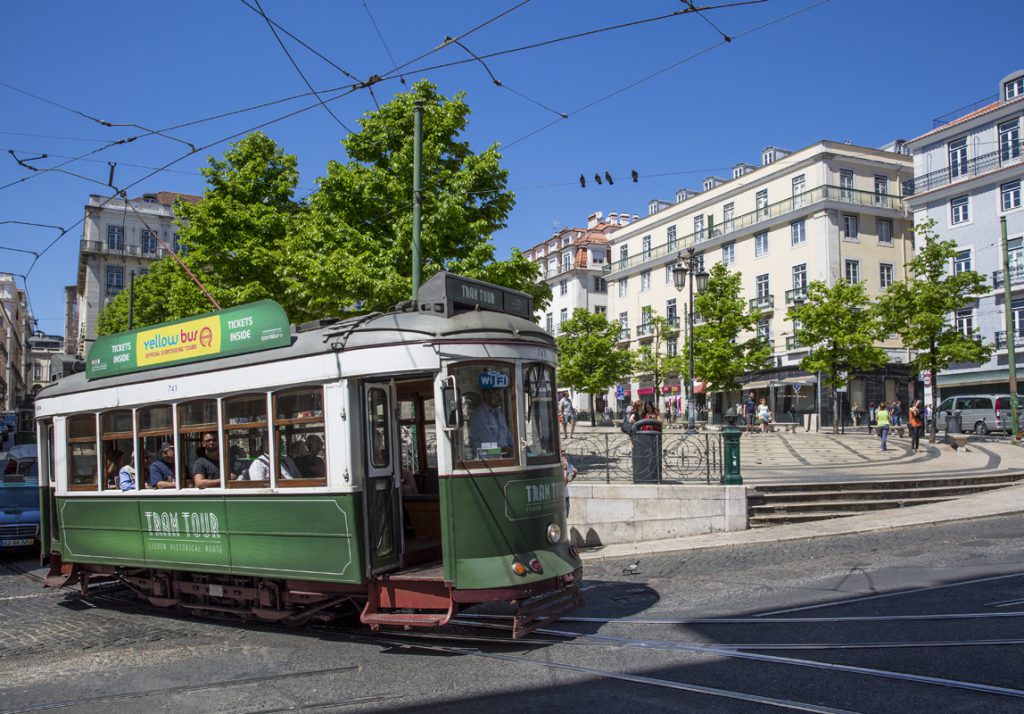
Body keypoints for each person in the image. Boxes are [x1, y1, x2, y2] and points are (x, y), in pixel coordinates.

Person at [469, 386, 514, 457]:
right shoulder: (478, 414)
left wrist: (517, 445)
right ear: (486, 395)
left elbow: (507, 434)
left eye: (500, 395)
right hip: (486, 461)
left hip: (502, 459)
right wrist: (505, 449)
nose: (500, 398)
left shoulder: (499, 413)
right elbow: (487, 440)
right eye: (496, 395)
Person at [561, 448, 576, 516]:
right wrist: (565, 469)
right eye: (561, 452)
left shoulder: (569, 466)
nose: (563, 454)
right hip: (559, 498)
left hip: (565, 496)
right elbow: (564, 482)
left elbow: (569, 480)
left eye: (564, 452)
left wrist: (574, 475)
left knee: (565, 517)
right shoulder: (556, 467)